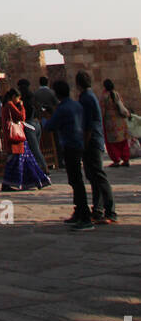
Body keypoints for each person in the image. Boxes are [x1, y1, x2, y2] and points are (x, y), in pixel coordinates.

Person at [41, 80, 92, 230]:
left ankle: (85, 217)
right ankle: (79, 212)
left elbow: (50, 126)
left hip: (69, 146)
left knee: (76, 181)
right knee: (76, 180)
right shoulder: (76, 105)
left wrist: (46, 116)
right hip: (79, 143)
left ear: (56, 93)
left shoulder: (62, 108)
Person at [76, 71, 116, 223]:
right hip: (95, 140)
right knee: (94, 177)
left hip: (92, 142)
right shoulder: (90, 96)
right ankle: (98, 210)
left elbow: (88, 126)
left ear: (78, 84)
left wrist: (84, 144)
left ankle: (110, 211)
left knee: (98, 176)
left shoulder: (86, 98)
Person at [0, 88, 49, 193]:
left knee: (18, 161)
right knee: (14, 161)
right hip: (15, 138)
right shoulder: (9, 105)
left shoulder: (7, 105)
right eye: (18, 98)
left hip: (14, 138)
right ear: (14, 97)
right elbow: (21, 117)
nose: (19, 100)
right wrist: (21, 106)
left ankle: (27, 181)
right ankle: (8, 183)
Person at [17, 79, 50, 174]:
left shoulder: (24, 100)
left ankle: (43, 167)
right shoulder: (33, 96)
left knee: (34, 148)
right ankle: (39, 167)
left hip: (29, 123)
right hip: (37, 123)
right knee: (36, 148)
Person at [100, 78, 132, 167]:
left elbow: (102, 110)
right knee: (123, 141)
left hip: (110, 122)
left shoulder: (104, 96)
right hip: (120, 121)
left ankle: (116, 159)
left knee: (112, 143)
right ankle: (126, 159)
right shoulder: (116, 94)